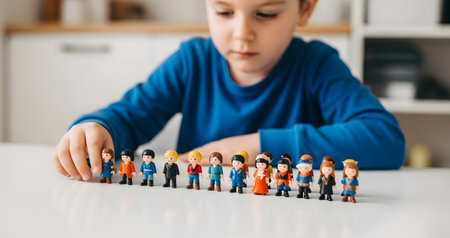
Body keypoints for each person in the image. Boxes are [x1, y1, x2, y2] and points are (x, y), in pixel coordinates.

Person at [53, 0, 405, 182]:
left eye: (265, 14)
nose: (242, 33)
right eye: (223, 11)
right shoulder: (191, 62)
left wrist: (252, 147)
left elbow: (384, 140)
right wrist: (98, 128)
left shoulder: (317, 66)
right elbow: (129, 117)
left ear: (305, 9)